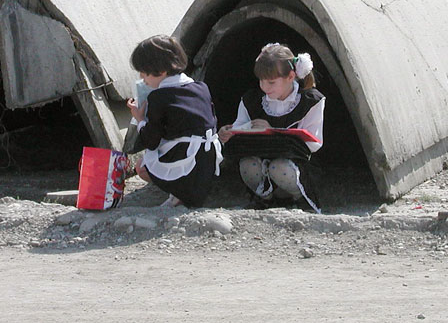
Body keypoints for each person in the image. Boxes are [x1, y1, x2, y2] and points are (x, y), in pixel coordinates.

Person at [218, 43, 325, 212]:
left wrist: (274, 132)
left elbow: (314, 142)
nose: (264, 87)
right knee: (247, 165)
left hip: (295, 168)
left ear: (290, 76)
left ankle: (300, 198)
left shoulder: (311, 101)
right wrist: (228, 134)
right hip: (260, 161)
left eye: (271, 82)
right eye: (261, 80)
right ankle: (264, 199)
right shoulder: (251, 99)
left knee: (279, 167)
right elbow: (240, 126)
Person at [127, 35, 222, 208]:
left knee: (142, 166)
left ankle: (179, 193)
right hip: (208, 164)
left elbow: (151, 141)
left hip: (187, 164)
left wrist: (140, 119)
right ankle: (182, 194)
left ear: (161, 71)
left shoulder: (159, 96)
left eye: (144, 72)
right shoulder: (201, 87)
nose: (142, 77)